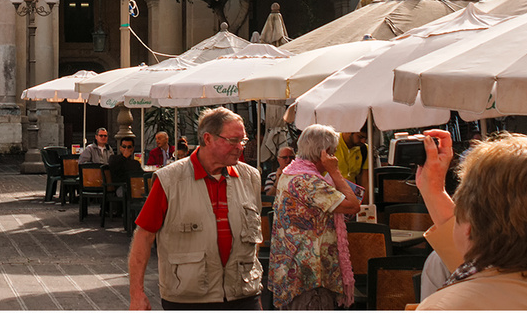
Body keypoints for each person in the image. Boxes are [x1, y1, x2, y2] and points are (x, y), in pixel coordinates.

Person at [412, 128, 527, 310]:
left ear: (471, 227)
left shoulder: (445, 307)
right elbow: (491, 269)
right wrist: (433, 189)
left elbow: (482, 265)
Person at [127, 106, 263, 310]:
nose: (240, 147)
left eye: (242, 140)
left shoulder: (250, 178)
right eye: (233, 140)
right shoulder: (170, 180)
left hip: (242, 296)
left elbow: (253, 240)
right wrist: (137, 293)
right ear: (208, 139)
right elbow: (144, 236)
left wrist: (253, 287)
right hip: (189, 298)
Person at [268, 124, 363, 309]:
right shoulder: (309, 181)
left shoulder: (290, 173)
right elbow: (353, 206)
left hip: (292, 270)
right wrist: (334, 171)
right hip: (310, 276)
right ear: (325, 152)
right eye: (333, 152)